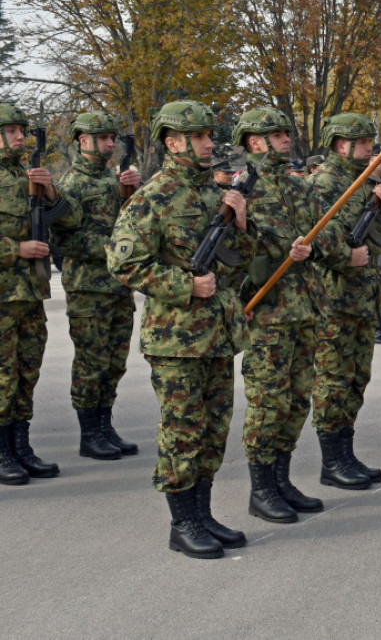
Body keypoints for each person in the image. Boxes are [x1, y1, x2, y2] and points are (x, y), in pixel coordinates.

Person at [108, 100, 255, 559]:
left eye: (210, 136)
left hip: (217, 334)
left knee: (213, 430)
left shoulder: (215, 194)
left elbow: (240, 259)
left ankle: (204, 513)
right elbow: (122, 261)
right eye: (199, 137)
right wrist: (183, 283)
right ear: (172, 142)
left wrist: (243, 221)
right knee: (183, 432)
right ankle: (183, 523)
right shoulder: (152, 197)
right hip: (176, 340)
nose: (209, 144)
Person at [234, 106, 335, 523]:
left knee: (296, 400)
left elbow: (327, 233)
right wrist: (272, 250)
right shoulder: (242, 190)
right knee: (267, 401)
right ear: (255, 142)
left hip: (304, 307)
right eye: (276, 134)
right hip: (267, 312)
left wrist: (313, 248)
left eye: (285, 132)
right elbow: (230, 250)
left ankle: (281, 479)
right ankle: (261, 490)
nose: (286, 138)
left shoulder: (299, 188)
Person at [309, 113, 381, 488]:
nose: (369, 149)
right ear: (340, 144)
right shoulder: (320, 185)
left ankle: (346, 454)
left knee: (356, 379)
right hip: (333, 300)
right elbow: (308, 237)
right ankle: (332, 462)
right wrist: (343, 255)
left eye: (369, 142)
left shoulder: (365, 184)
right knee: (332, 380)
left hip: (363, 298)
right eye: (362, 143)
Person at [0, 102, 80, 485]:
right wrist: (14, 250)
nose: (19, 137)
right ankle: (2, 452)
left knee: (26, 374)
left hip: (29, 294)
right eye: (12, 130)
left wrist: (49, 190)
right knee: (1, 378)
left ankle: (21, 447)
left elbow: (71, 218)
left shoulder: (27, 175)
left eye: (21, 130)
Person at [52, 112, 140, 461]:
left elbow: (130, 224)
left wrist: (130, 190)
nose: (110, 144)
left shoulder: (112, 180)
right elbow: (64, 241)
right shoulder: (70, 185)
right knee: (91, 362)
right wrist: (113, 250)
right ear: (82, 141)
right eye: (102, 138)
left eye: (111, 138)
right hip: (89, 289)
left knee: (115, 362)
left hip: (118, 287)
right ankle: (89, 433)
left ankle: (105, 425)